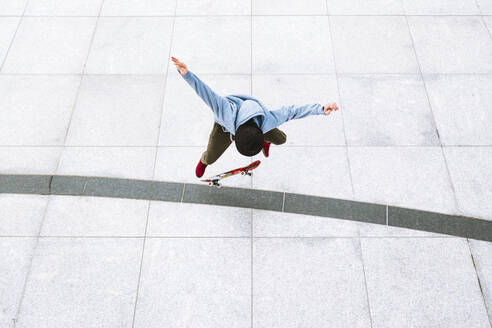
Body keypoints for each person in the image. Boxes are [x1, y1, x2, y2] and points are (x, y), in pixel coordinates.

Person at [171, 57, 339, 178]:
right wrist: (187, 74)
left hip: (254, 125)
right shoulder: (224, 110)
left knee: (281, 139)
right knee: (212, 155)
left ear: (262, 131)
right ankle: (204, 161)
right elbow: (205, 92)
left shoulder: (267, 120)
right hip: (224, 127)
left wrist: (321, 109)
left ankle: (267, 142)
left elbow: (293, 111)